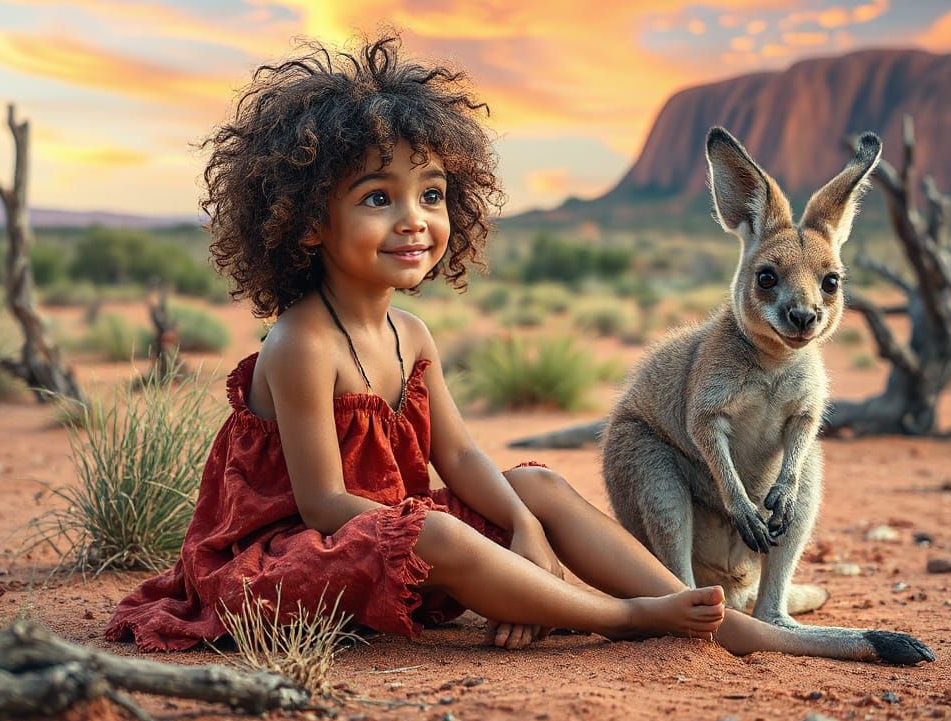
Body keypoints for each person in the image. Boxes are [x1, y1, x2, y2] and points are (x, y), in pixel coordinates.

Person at [105, 34, 798, 656]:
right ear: (309, 221)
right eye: (378, 198)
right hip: (285, 567)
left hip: (396, 549)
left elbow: (461, 456)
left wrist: (523, 528)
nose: (414, 220)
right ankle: (623, 616)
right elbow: (324, 505)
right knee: (435, 533)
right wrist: (476, 550)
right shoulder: (301, 343)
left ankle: (702, 612)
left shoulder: (410, 334)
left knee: (537, 487)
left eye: (431, 195)